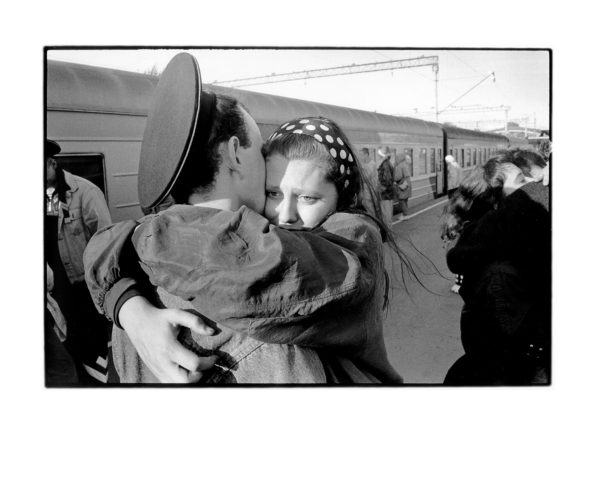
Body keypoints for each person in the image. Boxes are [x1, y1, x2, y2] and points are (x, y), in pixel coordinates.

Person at [84, 53, 404, 384]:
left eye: (307, 197)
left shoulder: (136, 303)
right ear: (236, 153)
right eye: (259, 149)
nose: (285, 211)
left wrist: (124, 297)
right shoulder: (271, 328)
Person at [441, 152, 550, 385]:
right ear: (501, 204)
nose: (533, 184)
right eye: (521, 180)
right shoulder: (501, 274)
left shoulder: (512, 252)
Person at [45, 139, 113, 384]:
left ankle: (100, 382)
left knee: (94, 344)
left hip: (85, 286)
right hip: (61, 287)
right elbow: (53, 234)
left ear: (52, 163)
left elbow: (107, 241)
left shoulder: (86, 193)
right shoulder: (50, 193)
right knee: (71, 341)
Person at [376, 147, 395, 224]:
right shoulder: (387, 163)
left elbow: (387, 180)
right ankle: (388, 233)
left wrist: (380, 188)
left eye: (379, 154)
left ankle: (388, 235)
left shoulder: (385, 164)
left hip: (386, 195)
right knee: (387, 216)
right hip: (388, 194)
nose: (378, 156)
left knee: (386, 217)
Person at [393, 153, 412, 220]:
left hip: (402, 184)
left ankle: (406, 215)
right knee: (405, 200)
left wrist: (393, 178)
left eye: (396, 158)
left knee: (401, 200)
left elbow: (398, 177)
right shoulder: (405, 164)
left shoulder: (399, 166)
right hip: (407, 183)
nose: (395, 160)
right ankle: (404, 214)